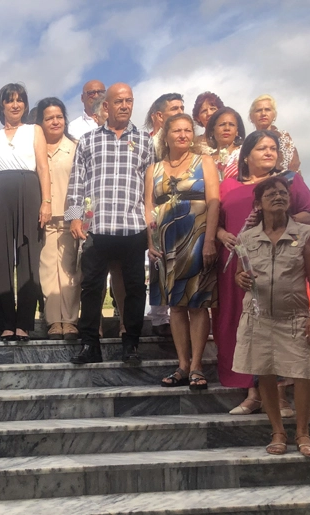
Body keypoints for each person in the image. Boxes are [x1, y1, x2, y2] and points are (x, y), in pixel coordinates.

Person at [214, 130, 310, 415]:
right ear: (246, 155)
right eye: (262, 148)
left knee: (280, 327)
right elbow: (216, 221)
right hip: (238, 263)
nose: (269, 153)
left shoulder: (288, 180)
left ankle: (280, 395)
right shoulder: (226, 185)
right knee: (248, 328)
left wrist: (281, 221)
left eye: (273, 148)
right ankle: (252, 393)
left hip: (281, 266)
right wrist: (222, 233)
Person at [233, 176, 310, 457]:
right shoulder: (246, 237)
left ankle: (303, 434)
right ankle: (278, 432)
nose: (279, 197)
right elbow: (239, 272)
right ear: (258, 203)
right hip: (258, 318)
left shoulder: (304, 233)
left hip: (295, 316)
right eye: (271, 193)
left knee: (303, 374)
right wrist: (240, 278)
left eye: (283, 193)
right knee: (266, 374)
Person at [66, 83, 153, 364]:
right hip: (96, 227)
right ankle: (90, 344)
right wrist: (73, 218)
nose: (125, 106)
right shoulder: (88, 140)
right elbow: (76, 183)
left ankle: (131, 344)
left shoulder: (145, 141)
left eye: (129, 101)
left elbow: (150, 186)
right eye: (119, 101)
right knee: (91, 287)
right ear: (107, 106)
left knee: (134, 288)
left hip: (132, 225)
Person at [145, 114, 220, 389]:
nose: (182, 135)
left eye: (187, 130)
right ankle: (183, 364)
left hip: (197, 236)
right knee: (175, 306)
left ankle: (198, 365)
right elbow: (148, 207)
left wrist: (210, 239)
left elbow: (214, 202)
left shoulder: (205, 162)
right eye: (176, 130)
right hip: (166, 241)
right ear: (166, 135)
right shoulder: (153, 169)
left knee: (198, 304)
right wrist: (150, 242)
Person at [0, 83, 51, 341]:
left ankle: (24, 323)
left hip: (29, 193)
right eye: (10, 100)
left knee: (28, 258)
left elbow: (43, 168)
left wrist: (46, 201)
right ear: (2, 105)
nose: (15, 105)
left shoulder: (35, 131)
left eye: (20, 100)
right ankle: (5, 324)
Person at [35, 97, 80, 341]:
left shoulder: (75, 147)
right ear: (40, 122)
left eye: (59, 117)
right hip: (43, 220)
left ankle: (70, 321)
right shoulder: (34, 147)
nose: (55, 122)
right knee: (48, 272)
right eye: (49, 118)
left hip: (69, 219)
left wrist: (76, 218)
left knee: (70, 271)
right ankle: (54, 321)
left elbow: (80, 187)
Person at [144, 93, 184, 337]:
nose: (180, 111)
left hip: (182, 211)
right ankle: (159, 316)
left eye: (182, 107)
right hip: (152, 209)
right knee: (157, 261)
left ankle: (181, 310)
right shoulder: (145, 142)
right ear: (159, 116)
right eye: (173, 109)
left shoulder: (187, 143)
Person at [248, 94, 301, 172]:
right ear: (251, 116)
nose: (263, 114)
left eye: (267, 110)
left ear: (274, 115)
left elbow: (294, 166)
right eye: (258, 110)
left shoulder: (283, 137)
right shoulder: (249, 142)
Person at [205, 107, 246, 180]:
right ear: (212, 131)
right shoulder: (206, 159)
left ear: (237, 131)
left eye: (231, 124)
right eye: (222, 124)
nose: (227, 128)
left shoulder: (245, 154)